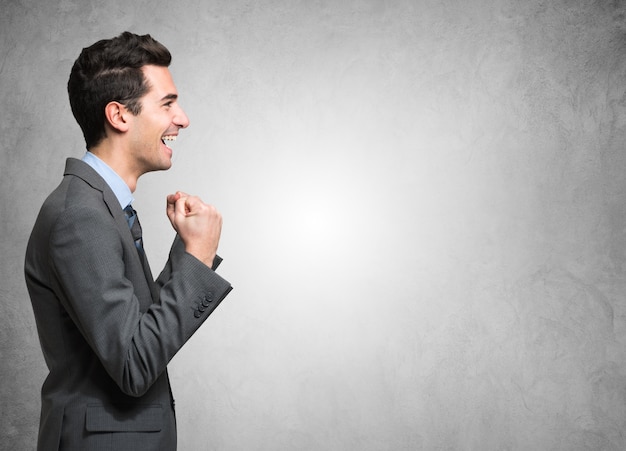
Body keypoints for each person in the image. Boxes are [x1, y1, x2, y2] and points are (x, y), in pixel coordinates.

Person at [24, 31, 232, 450]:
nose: (183, 119)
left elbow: (134, 328)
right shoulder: (79, 216)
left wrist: (187, 255)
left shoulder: (99, 206)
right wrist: (198, 257)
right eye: (168, 104)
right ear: (119, 116)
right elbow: (135, 364)